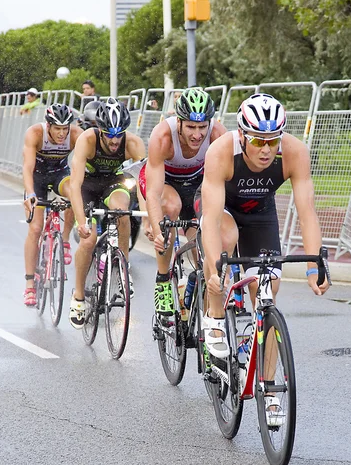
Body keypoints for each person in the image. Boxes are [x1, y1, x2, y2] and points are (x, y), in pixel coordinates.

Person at [198, 93, 330, 364]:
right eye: (258, 141)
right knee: (224, 243)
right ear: (242, 135)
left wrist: (314, 267)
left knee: (268, 288)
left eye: (273, 141)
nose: (266, 150)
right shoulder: (221, 151)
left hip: (260, 214)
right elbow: (210, 221)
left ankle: (268, 392)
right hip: (223, 211)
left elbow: (307, 214)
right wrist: (213, 272)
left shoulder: (295, 152)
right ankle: (214, 316)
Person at [141, 87, 226, 317]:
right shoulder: (163, 137)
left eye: (202, 127)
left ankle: (202, 302)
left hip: (195, 183)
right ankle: (162, 281)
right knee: (171, 207)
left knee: (203, 243)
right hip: (164, 183)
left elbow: (226, 184)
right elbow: (153, 193)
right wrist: (159, 229)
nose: (197, 134)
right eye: (190, 126)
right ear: (178, 122)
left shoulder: (219, 135)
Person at [69, 97, 146, 329]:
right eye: (109, 135)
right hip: (87, 187)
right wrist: (81, 222)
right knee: (88, 240)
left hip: (114, 183)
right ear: (100, 130)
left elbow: (144, 185)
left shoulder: (133, 143)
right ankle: (79, 297)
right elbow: (74, 185)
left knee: (123, 212)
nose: (114, 140)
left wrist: (148, 217)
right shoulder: (87, 139)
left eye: (119, 134)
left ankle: (123, 270)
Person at [22, 103, 82, 306]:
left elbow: (86, 162)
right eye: (57, 128)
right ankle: (30, 284)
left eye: (65, 128)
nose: (62, 133)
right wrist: (30, 194)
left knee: (75, 193)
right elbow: (28, 167)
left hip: (59, 176)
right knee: (36, 228)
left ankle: (64, 240)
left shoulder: (75, 135)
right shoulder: (35, 133)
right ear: (48, 126)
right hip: (37, 180)